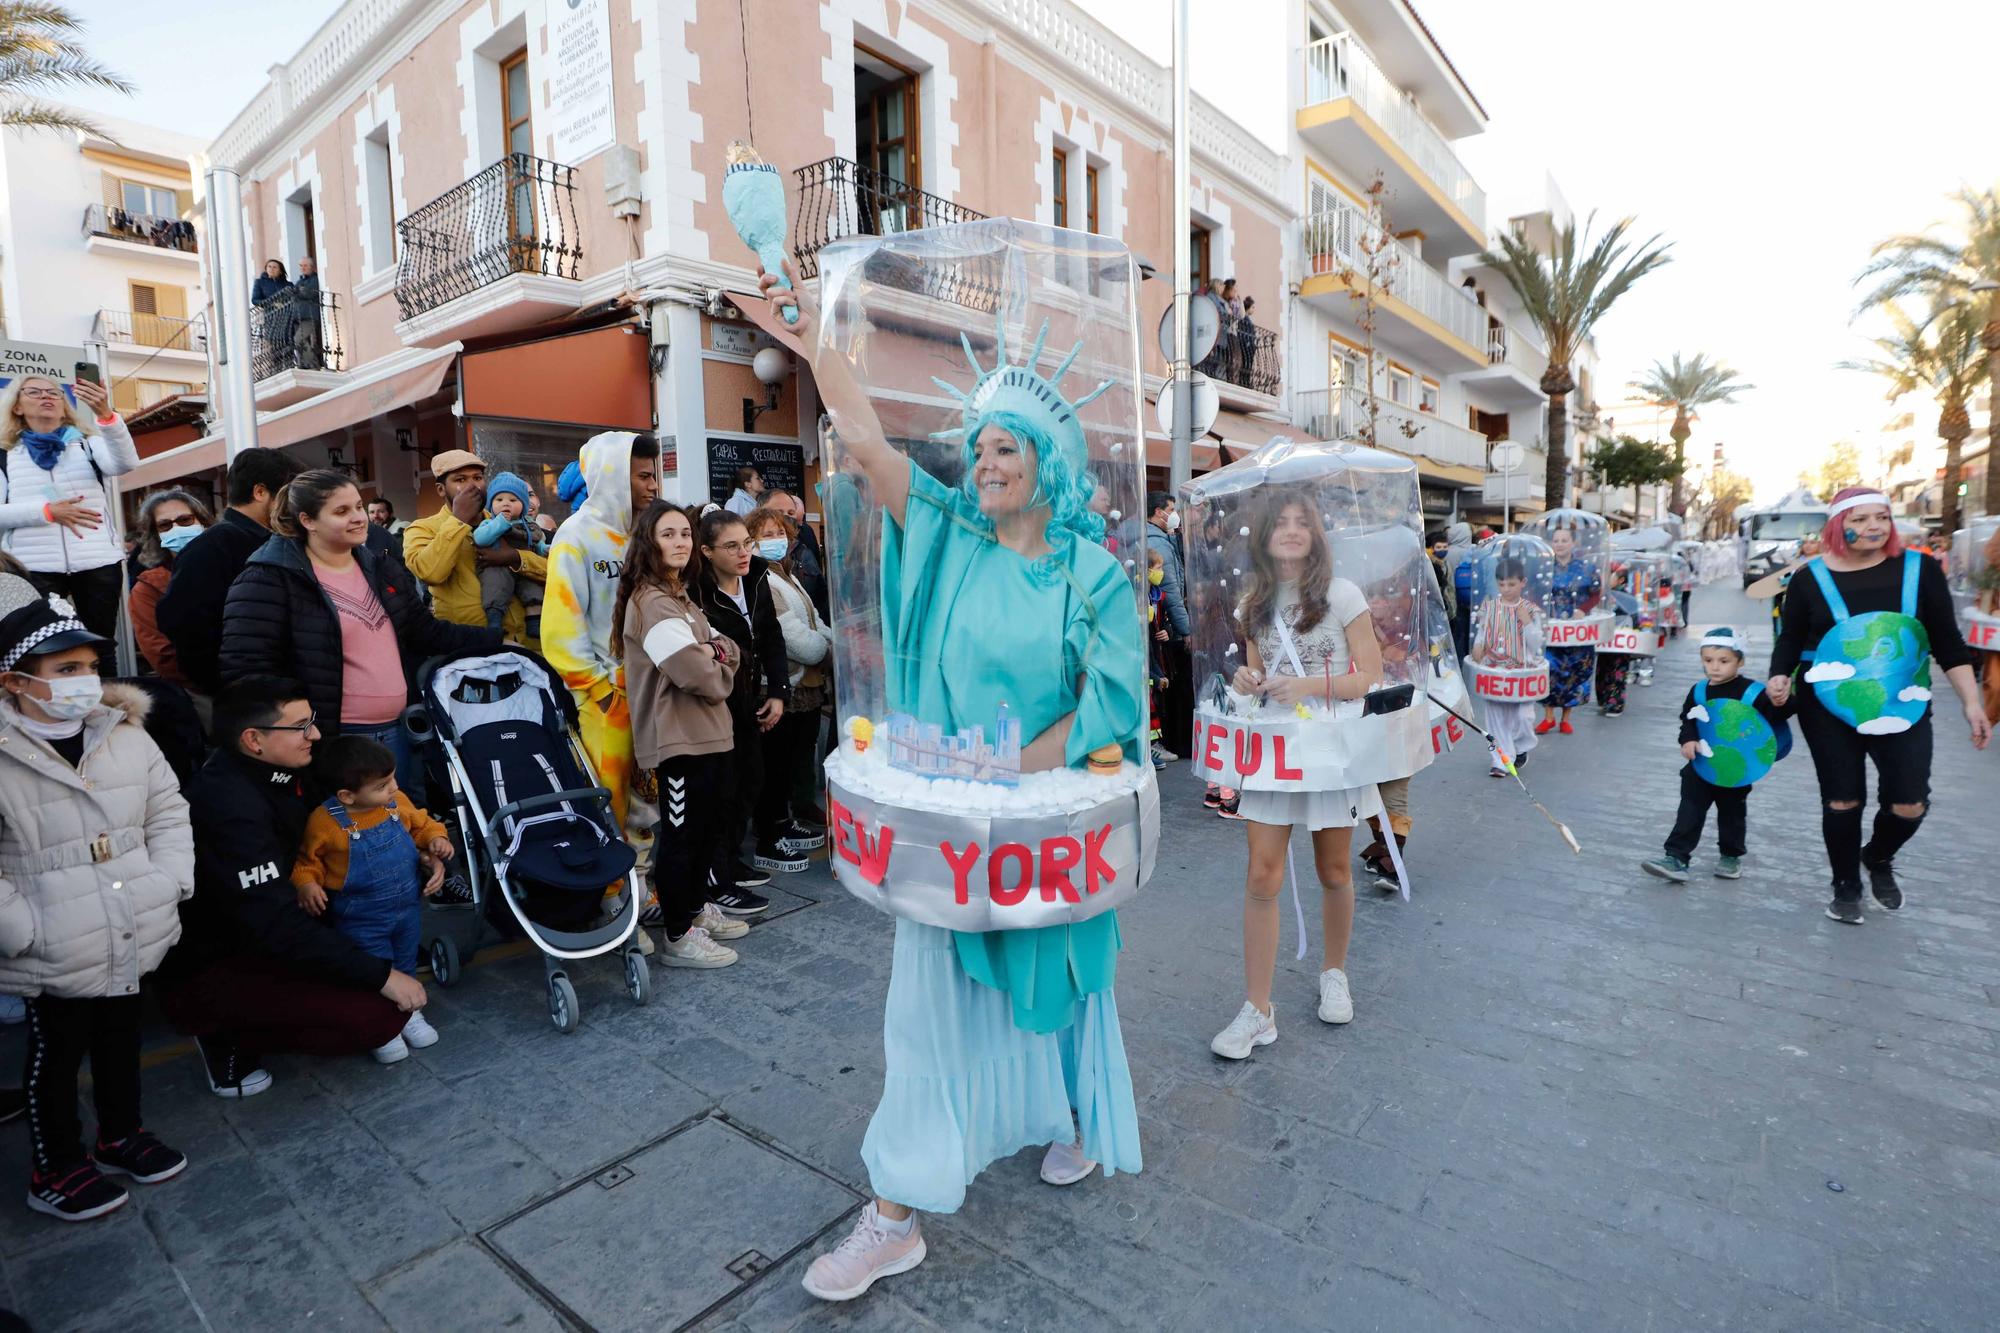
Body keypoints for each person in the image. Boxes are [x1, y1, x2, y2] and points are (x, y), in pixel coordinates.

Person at [762, 265, 1143, 1303]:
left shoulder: (1091, 572)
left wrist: (1014, 774)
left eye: (1005, 447)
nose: (984, 463)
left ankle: (1068, 1118)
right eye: (978, 447)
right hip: (950, 831)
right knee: (925, 1009)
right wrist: (810, 335)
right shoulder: (947, 532)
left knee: (1060, 982)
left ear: (1047, 462)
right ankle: (895, 1215)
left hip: (1041, 817)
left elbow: (1109, 703)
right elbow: (870, 443)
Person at [0, 577, 193, 1221]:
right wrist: (19, 929)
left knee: (120, 1038)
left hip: (129, 920)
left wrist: (168, 882)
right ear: (15, 681)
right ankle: (56, 1166)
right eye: (65, 669)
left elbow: (168, 810)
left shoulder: (123, 733)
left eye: (88, 666)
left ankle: (121, 1134)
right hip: (51, 940)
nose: (85, 681)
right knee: (54, 1058)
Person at [156, 676, 423, 1096]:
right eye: (300, 726)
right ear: (254, 740)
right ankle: (221, 1032)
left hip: (299, 920)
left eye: (312, 721)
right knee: (381, 1014)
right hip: (229, 951)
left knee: (394, 979)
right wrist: (379, 975)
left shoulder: (293, 767)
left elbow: (374, 808)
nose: (315, 734)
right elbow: (271, 922)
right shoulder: (228, 805)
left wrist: (415, 849)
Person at [1210, 491, 1383, 1061]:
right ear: (1262, 536)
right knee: (1261, 875)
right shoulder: (1252, 603)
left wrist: (1307, 686)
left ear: (1315, 534)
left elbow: (1369, 676)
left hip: (1331, 749)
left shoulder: (1341, 594)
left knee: (1333, 867)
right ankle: (1258, 1010)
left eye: (1300, 523)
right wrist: (1245, 679)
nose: (1289, 531)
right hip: (1275, 750)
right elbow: (1259, 675)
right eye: (1279, 523)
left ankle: (1334, 971)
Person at [1767, 489, 1987, 924]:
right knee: (1842, 800)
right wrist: (1778, 675)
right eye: (1861, 518)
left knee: (1910, 802)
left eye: (1881, 518)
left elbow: (1947, 641)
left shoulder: (1920, 569)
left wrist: (1971, 703)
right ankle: (1845, 886)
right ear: (1837, 524)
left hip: (1901, 699)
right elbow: (1791, 637)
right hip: (1826, 702)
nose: (1873, 527)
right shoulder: (1810, 577)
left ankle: (1878, 856)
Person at [218, 469, 498, 796]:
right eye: (341, 511)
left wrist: (495, 640)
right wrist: (296, 729)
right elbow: (247, 669)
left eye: (358, 507)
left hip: (398, 731)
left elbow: (425, 631)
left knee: (396, 828)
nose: (358, 518)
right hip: (331, 742)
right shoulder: (269, 578)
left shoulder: (380, 565)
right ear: (308, 521)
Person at [613, 501, 750, 966]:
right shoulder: (651, 601)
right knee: (681, 836)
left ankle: (691, 908)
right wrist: (717, 660)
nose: (681, 542)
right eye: (668, 534)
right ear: (649, 542)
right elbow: (699, 673)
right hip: (678, 739)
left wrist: (716, 653)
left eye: (685, 534)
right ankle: (677, 934)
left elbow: (728, 645)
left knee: (706, 829)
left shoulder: (679, 597)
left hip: (708, 732)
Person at [290, 736, 452, 1063]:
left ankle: (410, 1014)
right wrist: (307, 885)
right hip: (360, 917)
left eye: (392, 778)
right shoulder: (325, 823)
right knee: (374, 972)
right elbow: (306, 863)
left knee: (404, 961)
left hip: (407, 908)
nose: (392, 787)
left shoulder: (395, 802)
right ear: (346, 795)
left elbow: (422, 824)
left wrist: (436, 839)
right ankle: (382, 1027)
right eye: (382, 785)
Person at [542, 432, 662, 832]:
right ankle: (615, 890)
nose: (654, 485)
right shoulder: (575, 537)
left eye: (654, 475)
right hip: (606, 697)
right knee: (610, 796)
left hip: (651, 689)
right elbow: (561, 625)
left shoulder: (643, 536)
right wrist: (599, 690)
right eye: (643, 476)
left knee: (649, 794)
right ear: (613, 476)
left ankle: (643, 883)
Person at [155, 446, 306, 700]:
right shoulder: (211, 547)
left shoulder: (271, 540)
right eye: (286, 495)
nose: (291, 505)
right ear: (260, 492)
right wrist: (227, 684)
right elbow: (184, 624)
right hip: (246, 696)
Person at [0, 375, 137, 642]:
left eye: (54, 393)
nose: (46, 397)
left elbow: (124, 464)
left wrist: (106, 415)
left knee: (101, 645)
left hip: (97, 562)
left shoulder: (88, 443)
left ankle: (104, 685)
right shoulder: (5, 455)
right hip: (34, 567)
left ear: (64, 406)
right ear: (17, 407)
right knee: (42, 645)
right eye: (34, 392)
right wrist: (47, 512)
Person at [1643, 629, 1784, 883]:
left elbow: (1774, 721)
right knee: (1689, 809)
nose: (1715, 667)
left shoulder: (1753, 693)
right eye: (1708, 661)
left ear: (1740, 662)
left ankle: (1730, 855)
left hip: (1735, 770)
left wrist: (1781, 698)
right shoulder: (1699, 691)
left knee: (1732, 813)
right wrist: (1688, 739)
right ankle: (1676, 857)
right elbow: (1688, 719)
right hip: (1700, 766)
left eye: (1723, 661)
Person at [695, 508, 787, 898]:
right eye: (731, 546)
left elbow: (771, 636)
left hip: (749, 699)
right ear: (707, 551)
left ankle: (730, 859)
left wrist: (778, 692)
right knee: (723, 787)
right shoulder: (698, 593)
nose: (743, 553)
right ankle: (717, 875)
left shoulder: (758, 578)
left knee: (750, 779)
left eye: (746, 543)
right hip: (715, 704)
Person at [746, 505, 832, 865]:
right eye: (766, 534)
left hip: (802, 686)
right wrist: (827, 652)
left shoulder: (786, 574)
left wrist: (834, 644)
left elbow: (814, 619)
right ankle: (772, 830)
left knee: (793, 759)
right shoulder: (760, 576)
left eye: (779, 533)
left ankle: (784, 822)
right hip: (780, 686)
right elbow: (793, 636)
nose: (776, 540)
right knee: (775, 765)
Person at [401, 450, 545, 645]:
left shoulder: (510, 521)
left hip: (531, 645)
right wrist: (458, 520)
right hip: (474, 651)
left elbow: (554, 571)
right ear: (441, 490)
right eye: (460, 479)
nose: (472, 486)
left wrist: (516, 558)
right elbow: (430, 573)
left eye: (477, 478)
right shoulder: (422, 529)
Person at [127, 490, 214, 695]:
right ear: (156, 535)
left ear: (203, 522)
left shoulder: (229, 564)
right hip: (197, 692)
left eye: (185, 520)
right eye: (165, 525)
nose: (176, 528)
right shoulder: (147, 589)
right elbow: (163, 655)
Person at [1469, 553, 1545, 777]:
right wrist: (1478, 647)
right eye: (1501, 584)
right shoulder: (1489, 607)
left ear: (1523, 583)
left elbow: (1536, 643)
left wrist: (1527, 622)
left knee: (1523, 717)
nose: (1506, 589)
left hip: (1522, 671)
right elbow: (1482, 634)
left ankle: (1520, 746)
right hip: (1494, 669)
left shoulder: (1530, 609)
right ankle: (1501, 760)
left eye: (1511, 584)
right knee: (1496, 717)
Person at [1536, 523, 1599, 735]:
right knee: (1548, 670)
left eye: (1564, 540)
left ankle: (1566, 718)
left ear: (1573, 542)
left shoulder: (1586, 567)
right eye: (1556, 540)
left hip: (1577, 631)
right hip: (1551, 630)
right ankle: (1548, 717)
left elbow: (1596, 593)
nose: (1560, 544)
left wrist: (1583, 609)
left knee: (1575, 670)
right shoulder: (1544, 567)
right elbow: (1535, 593)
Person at [1144, 491, 1191, 763]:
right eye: (1170, 509)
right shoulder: (1157, 543)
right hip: (1162, 626)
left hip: (1160, 625)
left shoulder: (1161, 539)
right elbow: (1171, 589)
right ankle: (1161, 742)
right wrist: (1186, 629)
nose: (1174, 514)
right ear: (1158, 512)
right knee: (1162, 685)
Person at [472, 471, 548, 638]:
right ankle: (494, 622)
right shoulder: (489, 523)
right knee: (495, 586)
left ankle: (535, 621)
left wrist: (543, 549)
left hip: (526, 569)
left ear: (523, 505)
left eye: (513, 500)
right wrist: (500, 523)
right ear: (491, 505)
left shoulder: (529, 525)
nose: (506, 504)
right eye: (499, 500)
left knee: (533, 589)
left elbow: (536, 541)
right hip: (496, 567)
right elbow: (481, 538)